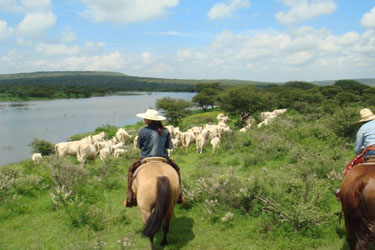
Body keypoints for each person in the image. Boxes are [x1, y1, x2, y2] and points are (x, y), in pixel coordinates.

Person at [124, 109, 184, 207]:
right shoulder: (165, 131)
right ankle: (179, 195)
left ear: (148, 120)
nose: (144, 119)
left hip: (146, 157)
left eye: (145, 118)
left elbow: (139, 146)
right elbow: (170, 146)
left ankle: (130, 198)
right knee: (177, 169)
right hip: (163, 157)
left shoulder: (143, 130)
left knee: (131, 171)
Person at [335, 108, 375, 200]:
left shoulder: (362, 128)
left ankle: (342, 190)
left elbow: (357, 149)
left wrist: (358, 153)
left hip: (369, 153)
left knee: (350, 167)